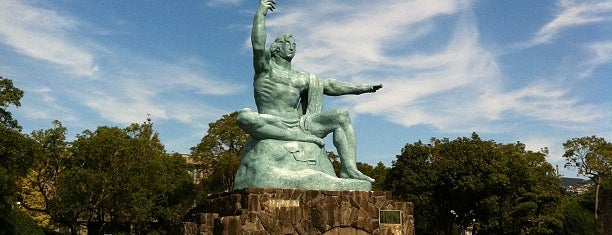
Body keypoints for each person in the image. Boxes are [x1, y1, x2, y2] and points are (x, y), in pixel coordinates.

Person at [237, 0, 382, 182]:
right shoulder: (265, 68)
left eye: (294, 43)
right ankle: (296, 137)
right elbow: (258, 45)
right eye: (287, 42)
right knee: (245, 117)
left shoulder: (301, 78)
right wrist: (261, 14)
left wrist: (362, 88)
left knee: (341, 116)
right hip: (271, 121)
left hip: (300, 124)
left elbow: (330, 86)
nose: (292, 46)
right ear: (276, 47)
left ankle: (349, 169)